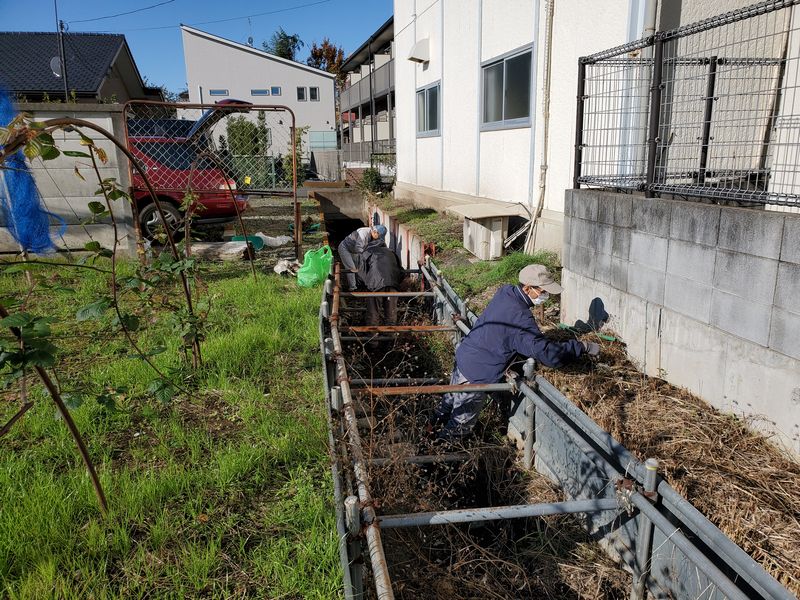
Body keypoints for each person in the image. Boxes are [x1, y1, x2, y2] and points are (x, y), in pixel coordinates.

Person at [430, 264, 600, 442]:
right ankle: (438, 458)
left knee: (447, 403)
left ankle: (428, 431)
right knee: (459, 426)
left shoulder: (506, 292)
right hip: (477, 375)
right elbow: (550, 355)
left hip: (465, 356)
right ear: (527, 288)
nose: (546, 297)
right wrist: (582, 347)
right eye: (543, 291)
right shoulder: (520, 320)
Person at [359, 244, 404, 327]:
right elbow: (401, 272)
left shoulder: (367, 252)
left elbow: (362, 273)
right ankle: (390, 335)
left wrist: (366, 285)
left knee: (373, 311)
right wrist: (395, 284)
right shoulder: (392, 252)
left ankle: (373, 337)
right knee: (391, 311)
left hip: (375, 285)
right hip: (392, 284)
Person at [337, 225, 387, 291]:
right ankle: (353, 288)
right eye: (379, 236)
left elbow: (380, 243)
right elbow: (358, 248)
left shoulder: (372, 234)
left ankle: (359, 283)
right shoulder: (363, 233)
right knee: (351, 268)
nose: (378, 238)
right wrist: (367, 256)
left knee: (358, 267)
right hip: (345, 248)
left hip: (354, 251)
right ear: (375, 232)